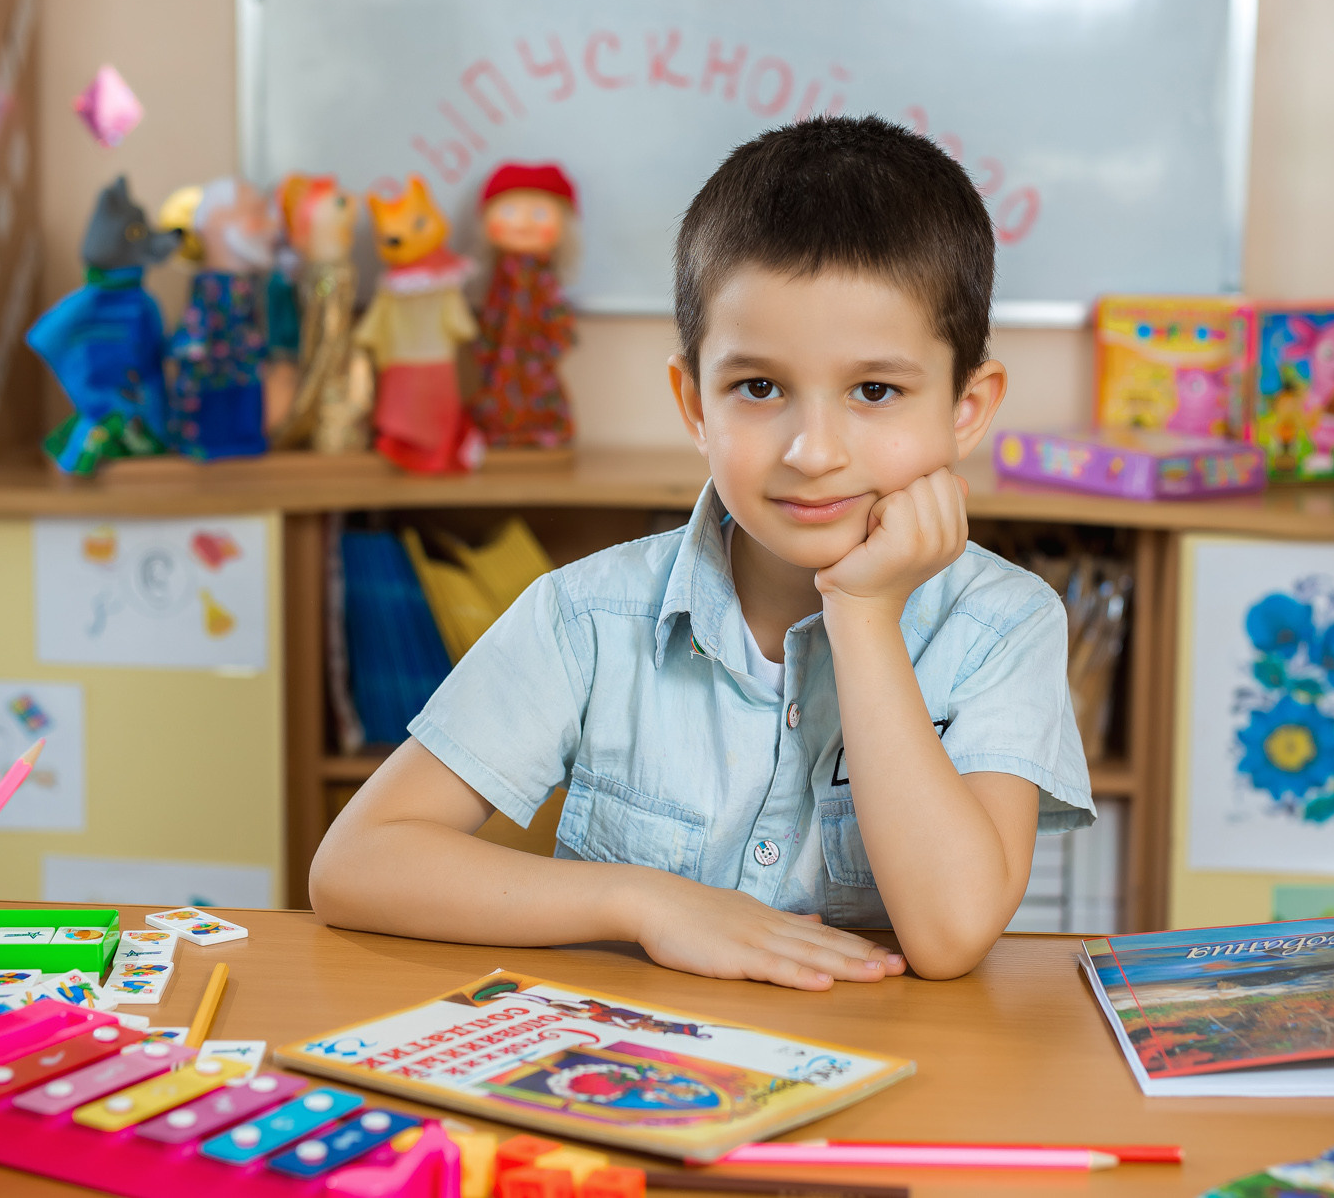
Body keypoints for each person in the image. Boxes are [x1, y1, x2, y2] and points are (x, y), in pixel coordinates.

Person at [311, 116, 1094, 986]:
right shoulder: (587, 617)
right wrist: (646, 902)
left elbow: (951, 935)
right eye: (759, 387)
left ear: (966, 408)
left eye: (875, 390)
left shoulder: (1004, 624)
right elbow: (353, 865)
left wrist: (865, 615)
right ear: (694, 403)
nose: (813, 450)